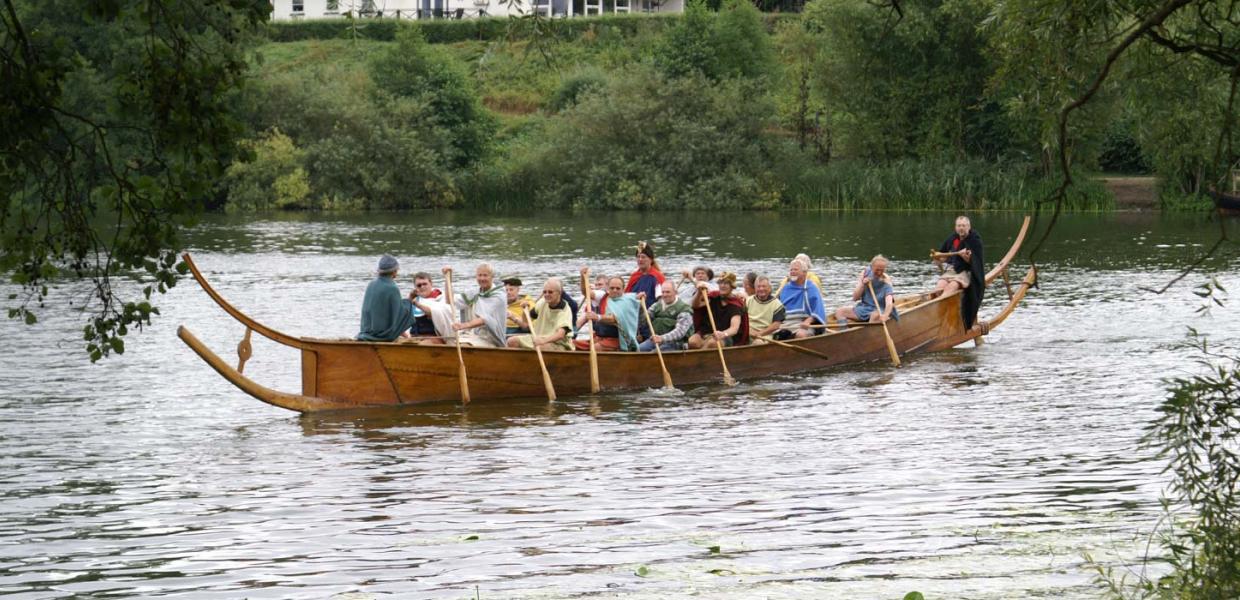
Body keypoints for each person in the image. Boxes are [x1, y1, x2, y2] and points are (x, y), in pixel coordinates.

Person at [933, 215, 985, 329]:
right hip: (953, 270)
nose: (961, 228)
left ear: (969, 227)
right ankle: (938, 314)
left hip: (967, 272)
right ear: (955, 227)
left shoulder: (974, 240)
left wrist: (966, 257)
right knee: (938, 289)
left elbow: (974, 261)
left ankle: (942, 319)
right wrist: (937, 259)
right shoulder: (953, 238)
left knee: (951, 287)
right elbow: (943, 256)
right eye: (959, 226)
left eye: (963, 226)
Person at [357, 254, 416, 342]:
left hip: (366, 332)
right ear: (394, 271)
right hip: (382, 336)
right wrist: (410, 300)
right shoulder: (392, 287)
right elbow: (399, 315)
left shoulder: (371, 284)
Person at [448, 263, 507, 347]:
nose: (482, 278)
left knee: (463, 346)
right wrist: (448, 280)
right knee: (449, 343)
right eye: (479, 275)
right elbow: (449, 300)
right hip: (475, 334)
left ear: (492, 277)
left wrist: (462, 325)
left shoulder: (499, 296)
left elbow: (484, 319)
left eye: (485, 275)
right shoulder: (476, 292)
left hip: (492, 339)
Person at [507, 278, 574, 351]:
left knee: (540, 347)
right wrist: (524, 310)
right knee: (511, 341)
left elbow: (560, 335)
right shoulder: (541, 303)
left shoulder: (564, 310)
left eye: (550, 292)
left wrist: (543, 341)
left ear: (559, 293)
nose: (546, 295)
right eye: (544, 292)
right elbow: (526, 323)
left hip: (558, 343)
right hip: (538, 338)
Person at [577, 276, 640, 351]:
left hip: (617, 340)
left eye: (618, 288)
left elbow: (615, 318)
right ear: (608, 288)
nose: (614, 290)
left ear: (623, 289)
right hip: (600, 338)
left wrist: (598, 317)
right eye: (612, 288)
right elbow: (586, 293)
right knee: (574, 345)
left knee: (595, 348)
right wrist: (583, 277)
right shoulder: (604, 297)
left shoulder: (626, 302)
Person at [689, 272, 748, 349]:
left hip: (725, 336)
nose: (722, 286)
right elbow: (695, 305)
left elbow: (734, 329)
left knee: (713, 343)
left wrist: (723, 334)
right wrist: (699, 292)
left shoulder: (735, 304)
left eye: (726, 283)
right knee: (692, 341)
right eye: (720, 283)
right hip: (707, 331)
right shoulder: (714, 296)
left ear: (732, 286)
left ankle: (700, 359)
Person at [835, 255, 898, 328]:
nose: (879, 272)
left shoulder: (886, 281)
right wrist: (863, 284)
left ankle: (868, 335)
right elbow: (855, 298)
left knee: (875, 316)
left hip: (880, 310)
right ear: (871, 267)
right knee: (840, 311)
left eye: (882, 270)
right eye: (877, 270)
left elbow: (889, 303)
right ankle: (844, 333)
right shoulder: (865, 273)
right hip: (864, 308)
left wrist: (885, 315)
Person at [776, 258, 828, 339]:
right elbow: (778, 309)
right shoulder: (786, 288)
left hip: (804, 324)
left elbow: (818, 310)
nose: (792, 272)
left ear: (804, 273)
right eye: (791, 270)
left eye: (795, 269)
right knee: (776, 335)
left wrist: (808, 321)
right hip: (787, 323)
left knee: (801, 335)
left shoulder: (811, 287)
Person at [636, 280, 693, 352]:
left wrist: (662, 338)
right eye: (663, 292)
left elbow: (680, 332)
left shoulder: (684, 309)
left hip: (676, 343)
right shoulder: (656, 305)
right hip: (655, 340)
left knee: (655, 353)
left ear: (675, 292)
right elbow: (643, 322)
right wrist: (641, 306)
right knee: (637, 349)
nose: (665, 295)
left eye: (668, 292)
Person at [407, 271, 454, 344]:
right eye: (419, 285)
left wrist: (417, 304)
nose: (422, 287)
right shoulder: (415, 299)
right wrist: (409, 300)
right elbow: (402, 317)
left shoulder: (439, 298)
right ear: (415, 287)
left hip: (435, 338)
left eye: (425, 284)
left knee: (420, 345)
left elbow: (433, 313)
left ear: (431, 284)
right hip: (415, 337)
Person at [624, 241, 665, 308]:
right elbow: (626, 297)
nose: (640, 259)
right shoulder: (634, 276)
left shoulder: (657, 277)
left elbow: (662, 300)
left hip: (651, 312)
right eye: (638, 257)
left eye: (643, 257)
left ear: (650, 259)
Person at [746, 275, 786, 340]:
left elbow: (776, 325)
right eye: (758, 286)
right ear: (755, 288)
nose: (761, 289)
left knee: (758, 343)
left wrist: (759, 334)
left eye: (764, 286)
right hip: (748, 332)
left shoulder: (777, 304)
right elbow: (742, 319)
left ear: (769, 288)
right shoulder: (748, 301)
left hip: (765, 335)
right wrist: (749, 330)